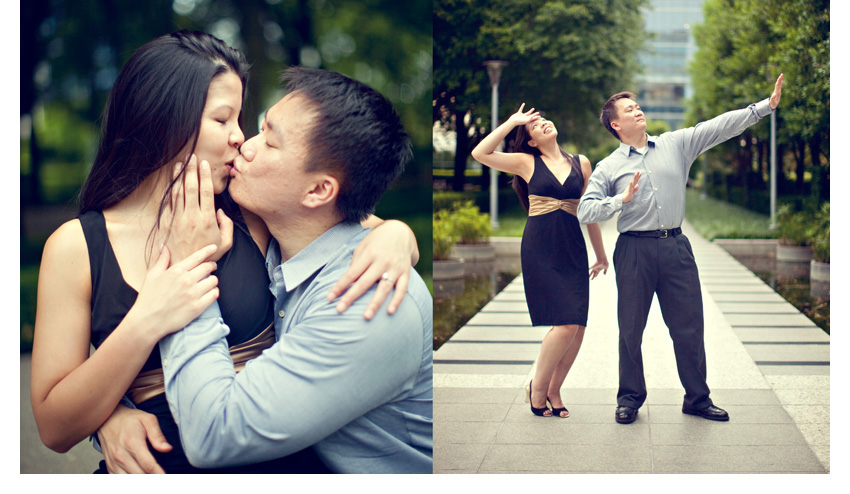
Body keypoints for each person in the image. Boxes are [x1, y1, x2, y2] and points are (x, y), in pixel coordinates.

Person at [30, 31, 419, 474]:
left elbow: (346, 221)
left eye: (242, 119)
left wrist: (397, 234)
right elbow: (54, 428)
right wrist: (116, 397)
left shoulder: (250, 212)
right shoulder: (77, 247)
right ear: (164, 120)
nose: (240, 137)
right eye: (223, 120)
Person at [143, 66, 432, 473]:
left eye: (271, 142)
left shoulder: (365, 298)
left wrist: (192, 272)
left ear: (317, 191)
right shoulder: (278, 236)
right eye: (259, 128)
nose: (245, 145)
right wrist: (113, 415)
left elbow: (214, 434)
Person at [576, 74, 784, 425]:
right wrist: (619, 199)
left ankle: (697, 399)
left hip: (676, 248)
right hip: (633, 251)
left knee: (689, 327)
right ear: (615, 123)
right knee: (630, 330)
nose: (638, 110)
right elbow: (585, 210)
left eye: (638, 105)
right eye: (630, 109)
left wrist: (763, 108)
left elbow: (717, 127)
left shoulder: (676, 144)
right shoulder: (608, 167)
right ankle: (629, 399)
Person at [471, 104, 608, 418]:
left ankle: (554, 390)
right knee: (565, 324)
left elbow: (590, 212)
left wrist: (601, 256)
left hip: (573, 247)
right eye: (535, 125)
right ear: (531, 141)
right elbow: (481, 153)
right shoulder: (526, 162)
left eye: (545, 119)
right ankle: (537, 388)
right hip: (541, 247)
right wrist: (512, 122)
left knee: (578, 326)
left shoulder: (581, 163)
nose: (543, 123)